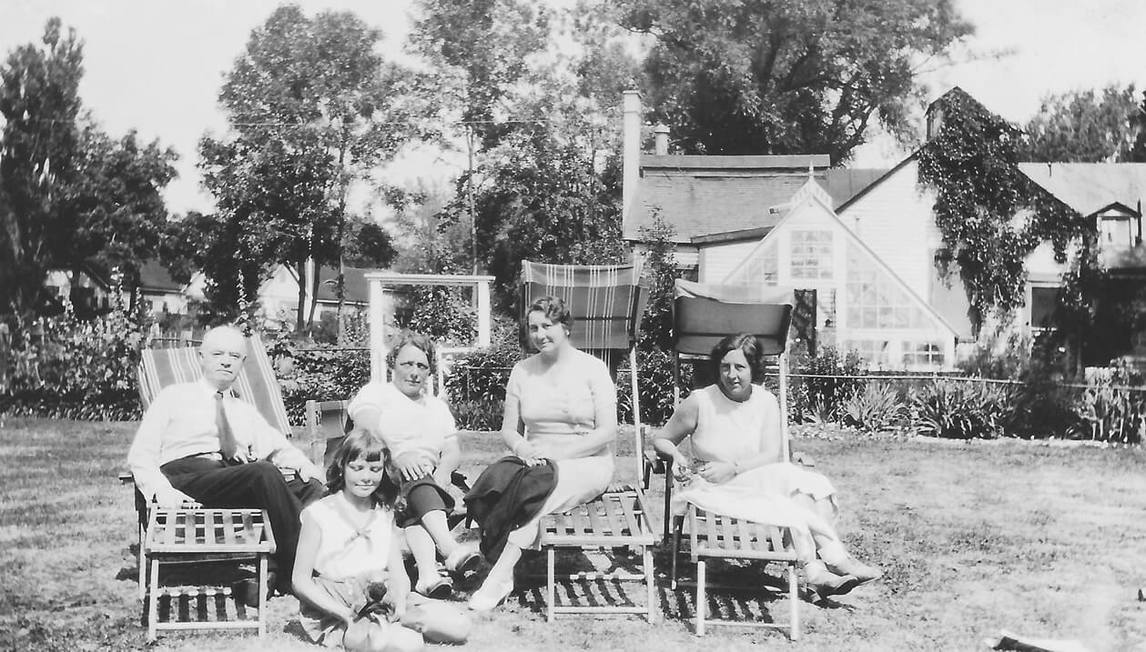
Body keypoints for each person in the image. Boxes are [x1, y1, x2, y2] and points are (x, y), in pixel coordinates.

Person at [653, 333, 882, 600]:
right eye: (725, 367)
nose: (731, 375)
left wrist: (734, 468)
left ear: (753, 369)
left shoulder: (765, 402)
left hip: (755, 481)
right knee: (794, 487)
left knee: (803, 488)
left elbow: (771, 453)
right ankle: (833, 561)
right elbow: (662, 439)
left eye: (740, 367)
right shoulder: (700, 401)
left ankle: (817, 570)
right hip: (713, 488)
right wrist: (677, 457)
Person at [127, 325, 324, 593]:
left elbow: (279, 448)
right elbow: (141, 454)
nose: (226, 360)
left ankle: (276, 571)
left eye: (234, 356)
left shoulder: (244, 410)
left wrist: (306, 466)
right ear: (200, 357)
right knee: (263, 472)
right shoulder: (173, 397)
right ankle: (305, 573)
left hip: (232, 480)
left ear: (242, 362)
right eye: (218, 353)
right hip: (186, 480)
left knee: (312, 486)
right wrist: (161, 490)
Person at [467, 295, 617, 611]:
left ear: (565, 327)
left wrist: (560, 455)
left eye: (547, 326)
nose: (539, 335)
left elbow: (607, 432)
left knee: (541, 490)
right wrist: (522, 447)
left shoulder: (593, 368)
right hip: (534, 462)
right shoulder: (523, 371)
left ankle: (499, 576)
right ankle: (501, 570)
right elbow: (509, 430)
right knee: (509, 480)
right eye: (533, 328)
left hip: (587, 463)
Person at [293, 429, 471, 650]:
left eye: (374, 469)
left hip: (383, 592)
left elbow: (399, 575)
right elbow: (300, 581)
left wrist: (401, 602)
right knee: (407, 644)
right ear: (342, 468)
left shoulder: (381, 513)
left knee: (459, 626)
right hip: (340, 600)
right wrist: (345, 615)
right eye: (357, 468)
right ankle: (378, 632)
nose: (366, 477)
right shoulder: (319, 514)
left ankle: (393, 623)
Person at [348, 331, 480, 599]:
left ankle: (428, 577)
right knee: (417, 476)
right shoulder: (376, 393)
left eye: (421, 366)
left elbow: (452, 449)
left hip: (425, 483)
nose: (414, 372)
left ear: (429, 371)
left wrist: (443, 472)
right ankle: (449, 549)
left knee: (419, 491)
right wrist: (398, 455)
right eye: (407, 364)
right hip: (381, 471)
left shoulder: (437, 407)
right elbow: (367, 428)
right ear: (393, 364)